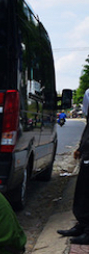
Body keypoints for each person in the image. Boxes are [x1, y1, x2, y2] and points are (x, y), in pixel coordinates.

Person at [57, 87, 89, 245]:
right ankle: (82, 225)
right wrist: (80, 149)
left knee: (86, 193)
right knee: (82, 193)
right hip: (86, 156)